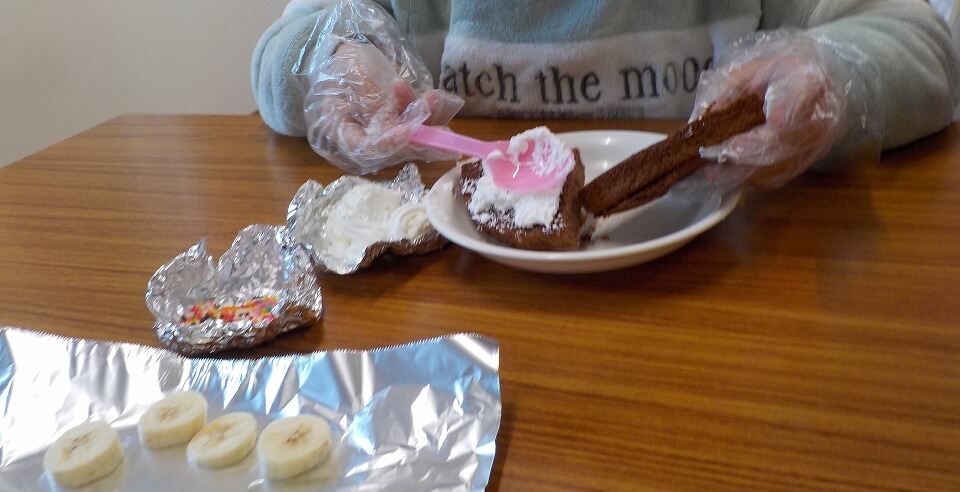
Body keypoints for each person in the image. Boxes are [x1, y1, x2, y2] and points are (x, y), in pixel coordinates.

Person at [251, 0, 959, 192]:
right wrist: (334, 61)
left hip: (731, 295)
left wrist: (833, 78)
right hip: (458, 303)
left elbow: (920, 40)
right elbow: (282, 51)